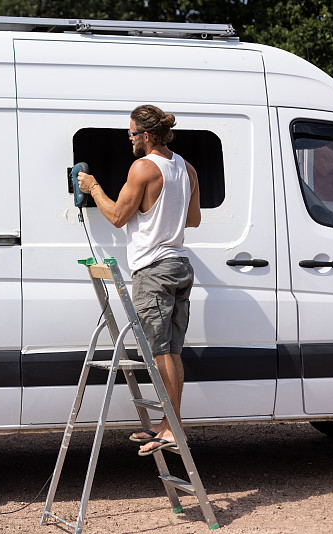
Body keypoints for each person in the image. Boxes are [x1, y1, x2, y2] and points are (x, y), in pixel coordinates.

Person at [77, 104, 201, 456]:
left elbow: (117, 216)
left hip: (153, 271)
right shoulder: (186, 167)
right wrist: (165, 217)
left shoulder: (143, 168)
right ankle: (168, 425)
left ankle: (173, 428)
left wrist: (94, 186)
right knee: (171, 351)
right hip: (179, 264)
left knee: (160, 353)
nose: (128, 139)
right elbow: (193, 219)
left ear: (146, 136)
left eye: (131, 133)